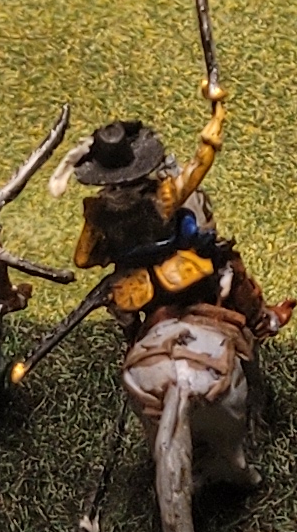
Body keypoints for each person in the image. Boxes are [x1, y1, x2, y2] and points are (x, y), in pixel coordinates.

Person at [65, 81, 280, 341]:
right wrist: (217, 115)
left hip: (136, 284)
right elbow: (200, 162)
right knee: (229, 263)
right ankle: (261, 319)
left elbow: (83, 259)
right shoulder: (163, 197)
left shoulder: (99, 212)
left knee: (122, 308)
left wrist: (94, 227)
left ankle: (134, 338)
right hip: (179, 272)